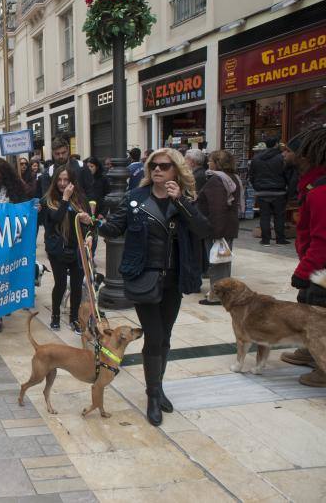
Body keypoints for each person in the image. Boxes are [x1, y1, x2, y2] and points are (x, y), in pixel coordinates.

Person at [98, 148, 210, 426]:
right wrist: (95, 223)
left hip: (173, 279)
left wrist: (181, 201)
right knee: (155, 336)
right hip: (144, 277)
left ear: (176, 170)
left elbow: (204, 230)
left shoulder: (184, 199)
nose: (157, 170)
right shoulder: (135, 198)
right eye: (153, 166)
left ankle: (158, 389)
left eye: (164, 166)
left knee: (166, 337)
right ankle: (152, 396)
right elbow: (113, 228)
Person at [282, 130, 326, 387]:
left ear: (306, 155)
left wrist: (303, 271)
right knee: (309, 310)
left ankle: (323, 367)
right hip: (315, 267)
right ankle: (310, 351)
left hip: (319, 271)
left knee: (318, 315)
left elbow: (322, 241)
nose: (284, 154)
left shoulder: (320, 192)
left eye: (288, 150)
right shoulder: (312, 185)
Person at [42, 165, 93, 333]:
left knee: (77, 285)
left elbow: (91, 224)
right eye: (60, 180)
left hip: (76, 249)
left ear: (72, 181)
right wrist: (65, 199)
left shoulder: (80, 199)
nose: (63, 183)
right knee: (61, 284)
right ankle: (55, 316)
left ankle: (74, 318)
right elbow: (56, 219)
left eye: (66, 180)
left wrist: (90, 232)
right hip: (58, 250)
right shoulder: (49, 200)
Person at [0, 157, 28, 333]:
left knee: (8, 274)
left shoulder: (16, 189)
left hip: (11, 239)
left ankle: (5, 303)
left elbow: (23, 208)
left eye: (0, 177)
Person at [197, 150, 243, 305]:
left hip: (217, 228)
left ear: (217, 163)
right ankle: (225, 294)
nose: (208, 163)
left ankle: (217, 296)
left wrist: (216, 233)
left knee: (217, 263)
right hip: (227, 226)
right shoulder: (233, 178)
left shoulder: (216, 180)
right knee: (223, 262)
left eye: (210, 160)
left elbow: (217, 208)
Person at [249, 138, 290, 246]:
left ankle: (265, 240)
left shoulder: (256, 158)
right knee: (279, 216)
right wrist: (287, 186)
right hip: (279, 191)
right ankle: (280, 239)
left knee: (264, 216)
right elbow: (287, 174)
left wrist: (257, 187)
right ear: (276, 144)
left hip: (262, 191)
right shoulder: (281, 158)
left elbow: (251, 175)